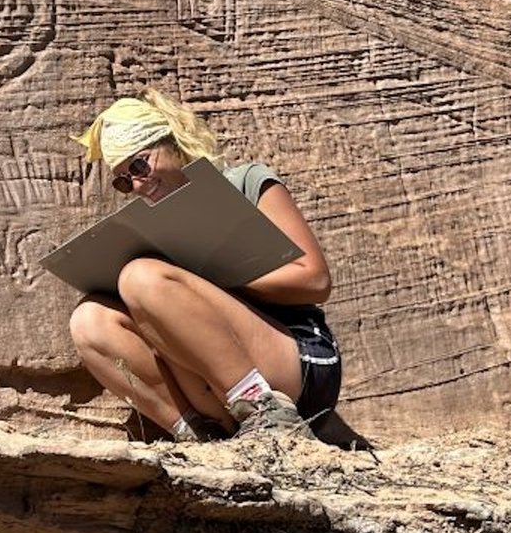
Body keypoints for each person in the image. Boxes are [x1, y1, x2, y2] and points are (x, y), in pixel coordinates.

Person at [67, 88, 341, 442]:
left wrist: (211, 278)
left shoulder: (247, 182)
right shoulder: (151, 228)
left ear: (174, 144)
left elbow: (316, 281)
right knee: (89, 320)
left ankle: (267, 413)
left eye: (139, 165)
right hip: (214, 386)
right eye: (124, 180)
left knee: (142, 277)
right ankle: (200, 434)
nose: (136, 184)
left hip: (299, 364)